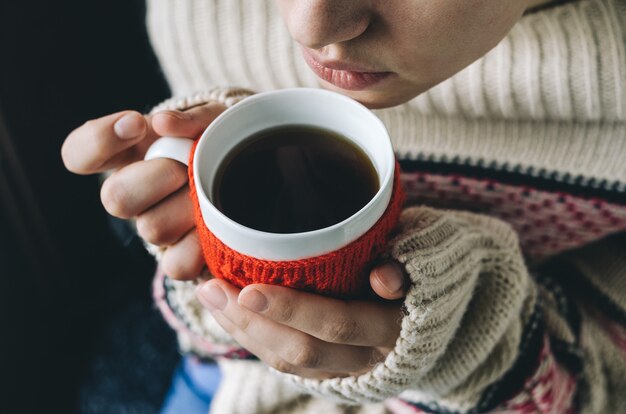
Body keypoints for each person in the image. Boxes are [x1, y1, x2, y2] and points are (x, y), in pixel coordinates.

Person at [61, 0, 626, 412]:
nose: (309, 25)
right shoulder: (203, 14)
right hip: (222, 377)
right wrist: (190, 226)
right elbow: (201, 320)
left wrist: (473, 340)